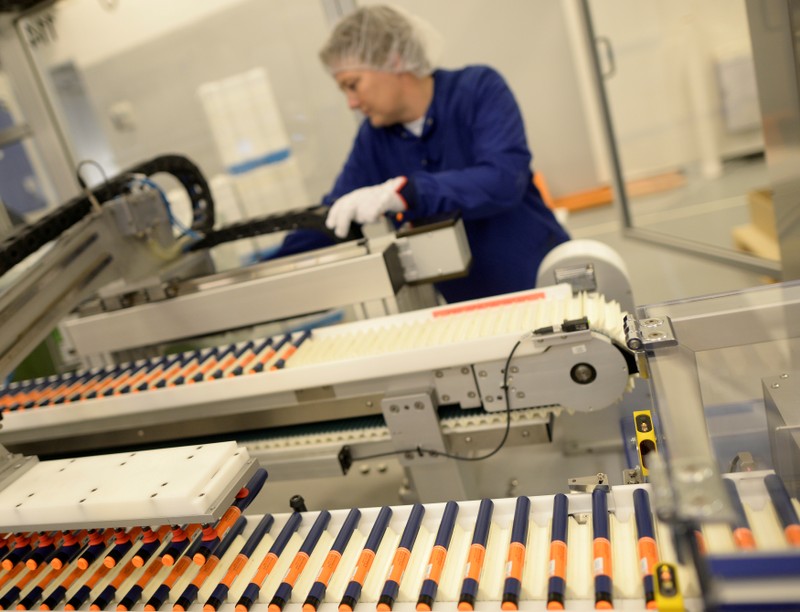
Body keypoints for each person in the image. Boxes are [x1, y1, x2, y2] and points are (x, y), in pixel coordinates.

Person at [274, 4, 569, 303]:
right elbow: (333, 217)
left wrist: (409, 193)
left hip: (546, 283)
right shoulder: (374, 139)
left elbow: (503, 180)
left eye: (353, 85)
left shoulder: (478, 89)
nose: (351, 102)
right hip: (472, 310)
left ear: (393, 59)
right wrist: (262, 273)